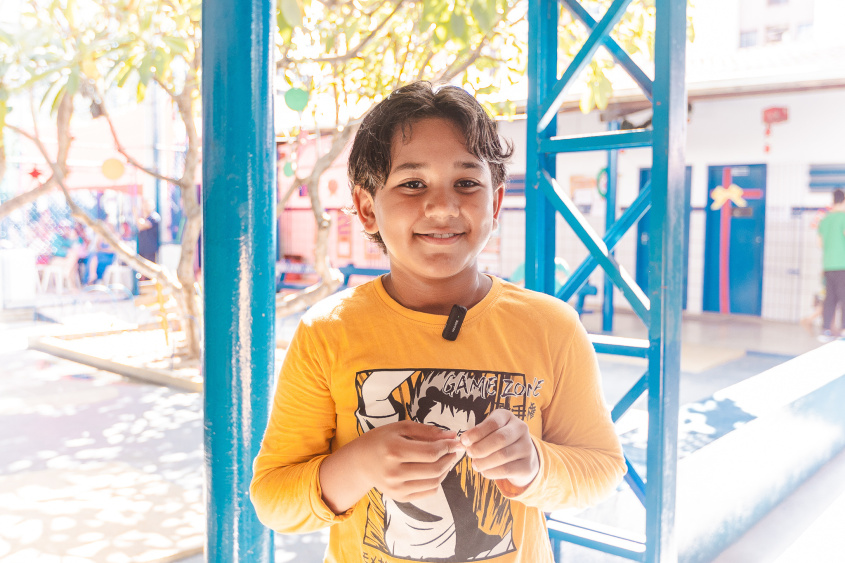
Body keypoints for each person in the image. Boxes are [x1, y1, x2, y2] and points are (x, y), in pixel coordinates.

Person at [250, 82, 626, 563]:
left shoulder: (552, 327)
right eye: (412, 184)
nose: (443, 206)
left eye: (467, 183)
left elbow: (602, 470)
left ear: (494, 203)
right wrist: (360, 464)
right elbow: (273, 500)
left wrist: (536, 466)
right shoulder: (328, 331)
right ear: (367, 208)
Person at [817, 188, 845, 341]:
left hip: (828, 264)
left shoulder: (825, 219)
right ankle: (843, 330)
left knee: (830, 299)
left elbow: (820, 243)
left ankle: (825, 330)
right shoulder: (843, 218)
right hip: (843, 264)